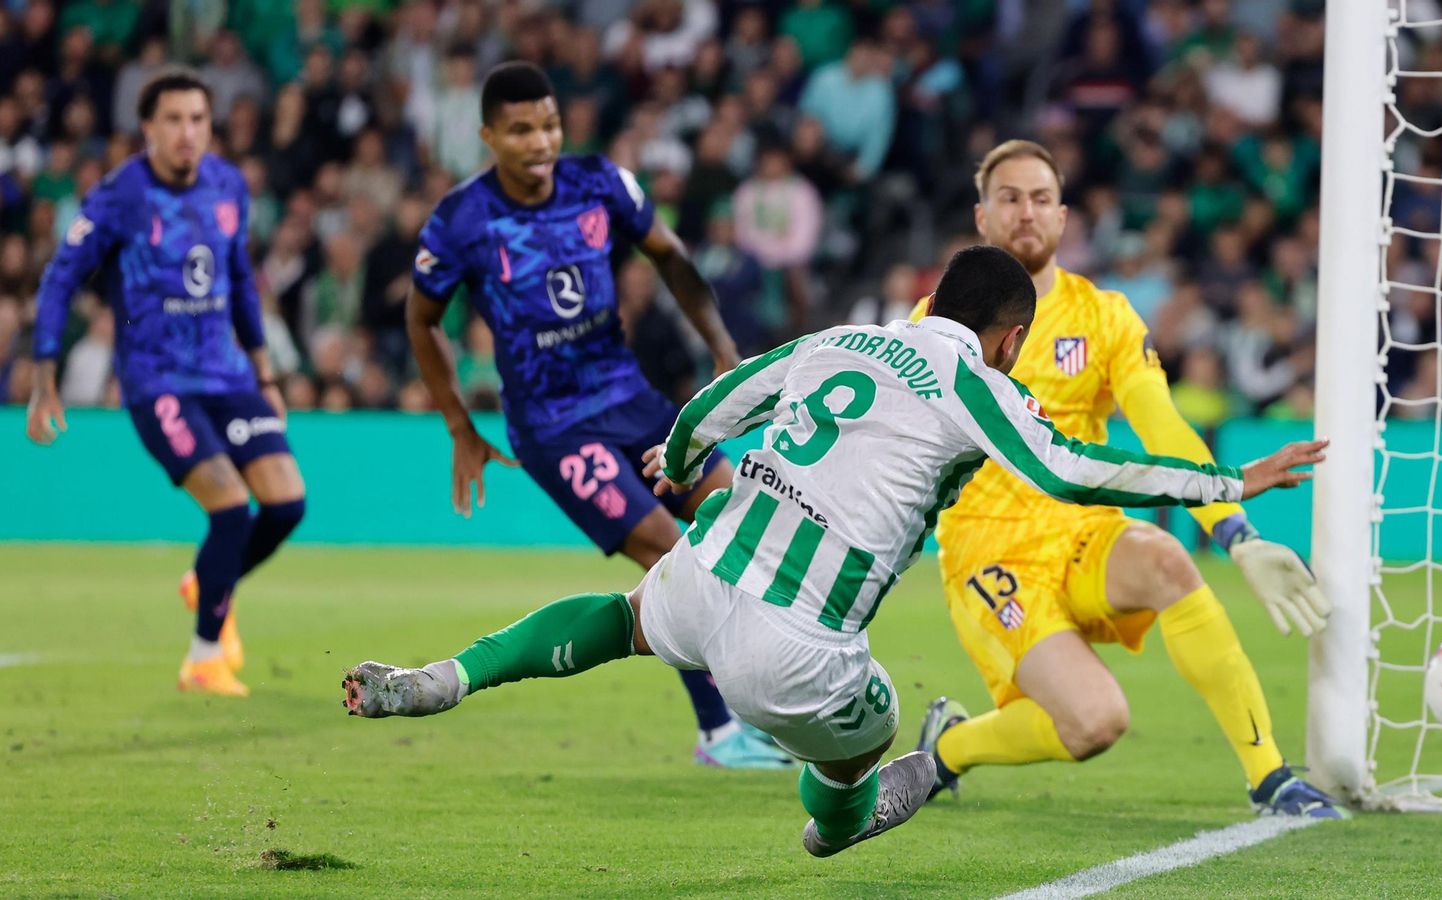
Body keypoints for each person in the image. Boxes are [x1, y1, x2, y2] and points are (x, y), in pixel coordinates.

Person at [342, 245, 1327, 856]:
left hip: (709, 563)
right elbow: (1068, 467)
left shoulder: (838, 340)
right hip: (797, 647)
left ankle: (450, 677)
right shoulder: (978, 383)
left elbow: (711, 409)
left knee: (627, 619)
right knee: (866, 745)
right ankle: (838, 824)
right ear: (1009, 335)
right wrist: (1228, 484)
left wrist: (680, 462)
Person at [909, 140, 1341, 817]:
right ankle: (949, 750)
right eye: (1009, 198)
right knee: (1094, 724)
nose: (1027, 212)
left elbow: (1161, 425)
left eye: (1042, 198)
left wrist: (1238, 534)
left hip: (1083, 529)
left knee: (1168, 559)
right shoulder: (940, 322)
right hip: (989, 549)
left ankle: (1270, 775)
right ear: (982, 218)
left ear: (1064, 216)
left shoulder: (1105, 316)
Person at [405, 61, 786, 769]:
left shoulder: (601, 183)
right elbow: (420, 317)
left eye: (548, 124)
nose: (540, 141)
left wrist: (726, 356)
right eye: (520, 130)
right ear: (489, 135)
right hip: (555, 427)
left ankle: (760, 705)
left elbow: (671, 259)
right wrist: (461, 426)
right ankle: (718, 733)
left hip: (634, 400)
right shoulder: (462, 220)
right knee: (670, 555)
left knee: (743, 518)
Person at [26, 70, 306, 698]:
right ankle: (204, 659)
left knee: (287, 504)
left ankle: (205, 582)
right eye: (173, 119)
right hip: (158, 382)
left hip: (228, 374)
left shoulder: (228, 186)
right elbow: (60, 278)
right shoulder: (120, 195)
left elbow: (239, 281)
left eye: (198, 119)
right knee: (231, 509)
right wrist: (45, 376)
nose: (187, 132)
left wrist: (264, 371)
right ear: (147, 127)